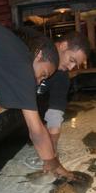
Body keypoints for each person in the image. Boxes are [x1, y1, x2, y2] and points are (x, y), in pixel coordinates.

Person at [0, 15, 73, 179]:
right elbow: (36, 130)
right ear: (38, 55)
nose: (38, 83)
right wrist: (53, 163)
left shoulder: (3, 46)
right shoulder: (20, 59)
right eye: (42, 75)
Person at [18, 29, 90, 169]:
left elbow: (55, 114)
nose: (71, 67)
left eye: (75, 65)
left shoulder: (62, 76)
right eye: (71, 60)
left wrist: (53, 149)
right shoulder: (32, 50)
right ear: (62, 45)